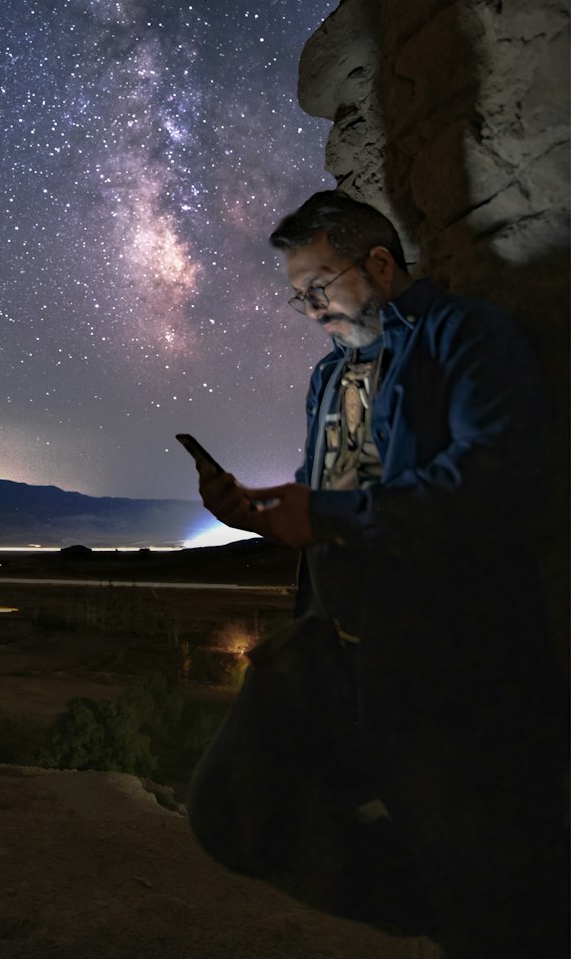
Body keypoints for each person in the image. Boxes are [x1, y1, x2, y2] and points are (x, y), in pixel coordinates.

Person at [185, 190, 567, 958]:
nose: (307, 310)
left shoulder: (467, 338)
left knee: (490, 896)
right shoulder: (328, 382)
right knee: (229, 810)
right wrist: (255, 515)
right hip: (341, 652)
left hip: (448, 667)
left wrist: (326, 515)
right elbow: (321, 506)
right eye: (297, 297)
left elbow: (498, 480)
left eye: (318, 288)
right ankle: (439, 904)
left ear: (381, 264)